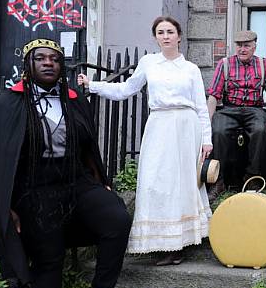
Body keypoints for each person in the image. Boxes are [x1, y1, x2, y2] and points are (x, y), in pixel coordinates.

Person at [0, 38, 137, 288]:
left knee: (116, 217)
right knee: (47, 254)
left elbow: (88, 144)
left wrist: (100, 178)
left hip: (73, 179)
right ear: (28, 65)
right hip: (33, 187)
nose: (49, 63)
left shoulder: (73, 100)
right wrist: (6, 205)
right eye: (41, 58)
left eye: (55, 58)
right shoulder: (7, 105)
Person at [77, 16, 212, 266]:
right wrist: (93, 85)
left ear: (179, 36)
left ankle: (179, 244)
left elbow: (202, 107)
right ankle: (160, 241)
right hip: (159, 125)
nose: (166, 36)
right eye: (160, 32)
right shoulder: (149, 63)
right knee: (155, 180)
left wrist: (207, 139)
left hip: (186, 127)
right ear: (156, 37)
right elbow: (126, 89)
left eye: (170, 31)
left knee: (182, 183)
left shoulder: (190, 69)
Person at [206, 29, 266, 198]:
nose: (242, 49)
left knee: (260, 131)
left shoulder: (264, 64)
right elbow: (213, 95)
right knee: (218, 131)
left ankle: (251, 177)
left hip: (255, 109)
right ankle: (219, 181)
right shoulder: (224, 64)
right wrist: (206, 121)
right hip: (229, 109)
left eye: (246, 45)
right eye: (239, 46)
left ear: (254, 46)